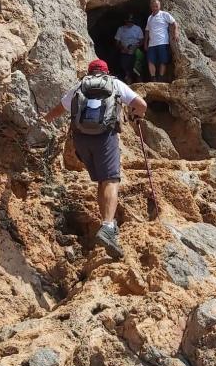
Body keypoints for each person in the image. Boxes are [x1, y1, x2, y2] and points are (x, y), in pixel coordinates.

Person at [42, 59, 147, 259]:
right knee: (111, 179)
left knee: (102, 180)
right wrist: (137, 116)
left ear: (90, 72)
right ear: (106, 72)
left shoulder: (80, 85)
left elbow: (61, 108)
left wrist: (45, 119)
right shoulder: (115, 83)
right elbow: (141, 104)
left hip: (81, 140)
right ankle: (108, 226)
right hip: (104, 138)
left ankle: (106, 223)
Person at [143, 0, 178, 82]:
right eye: (153, 6)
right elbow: (147, 31)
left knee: (163, 61)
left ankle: (161, 78)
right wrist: (145, 43)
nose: (155, 8)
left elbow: (174, 22)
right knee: (150, 61)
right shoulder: (150, 18)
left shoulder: (164, 14)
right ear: (151, 7)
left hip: (163, 42)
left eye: (156, 6)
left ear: (159, 6)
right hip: (151, 44)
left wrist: (176, 32)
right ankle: (153, 78)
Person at [114, 14, 144, 83]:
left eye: (131, 21)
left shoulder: (137, 28)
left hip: (136, 53)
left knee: (138, 71)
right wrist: (123, 48)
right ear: (125, 21)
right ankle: (128, 87)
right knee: (126, 72)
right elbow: (117, 43)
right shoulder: (121, 29)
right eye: (128, 21)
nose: (129, 23)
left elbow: (142, 41)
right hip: (124, 53)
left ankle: (140, 86)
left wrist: (135, 47)